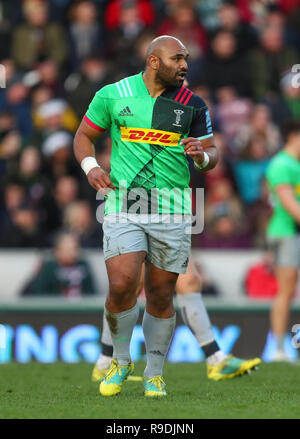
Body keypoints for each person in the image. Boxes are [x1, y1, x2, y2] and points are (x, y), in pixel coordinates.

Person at [73, 36, 258, 398]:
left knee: (160, 295)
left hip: (173, 207)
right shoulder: (114, 94)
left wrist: (202, 157)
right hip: (126, 203)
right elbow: (83, 135)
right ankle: (119, 359)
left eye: (186, 58)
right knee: (123, 283)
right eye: (178, 58)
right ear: (154, 62)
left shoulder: (194, 104)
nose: (185, 65)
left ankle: (154, 373)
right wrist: (91, 167)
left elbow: (212, 153)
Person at [92, 258, 260, 383]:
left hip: (169, 219)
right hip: (139, 217)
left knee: (189, 280)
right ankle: (106, 359)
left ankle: (215, 358)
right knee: (130, 285)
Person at [266, 121, 300, 361]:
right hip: (286, 232)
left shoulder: (292, 165)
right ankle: (278, 348)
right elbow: (288, 203)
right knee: (286, 290)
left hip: (292, 232)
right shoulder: (281, 164)